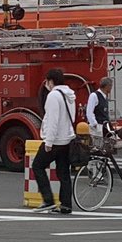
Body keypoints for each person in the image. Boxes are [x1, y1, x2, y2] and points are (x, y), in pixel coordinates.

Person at [31, 68, 79, 214]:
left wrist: (48, 142)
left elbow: (52, 120)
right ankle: (66, 205)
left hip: (56, 140)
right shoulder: (70, 95)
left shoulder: (53, 96)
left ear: (51, 81)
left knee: (37, 166)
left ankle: (48, 200)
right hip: (67, 139)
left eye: (47, 81)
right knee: (63, 173)